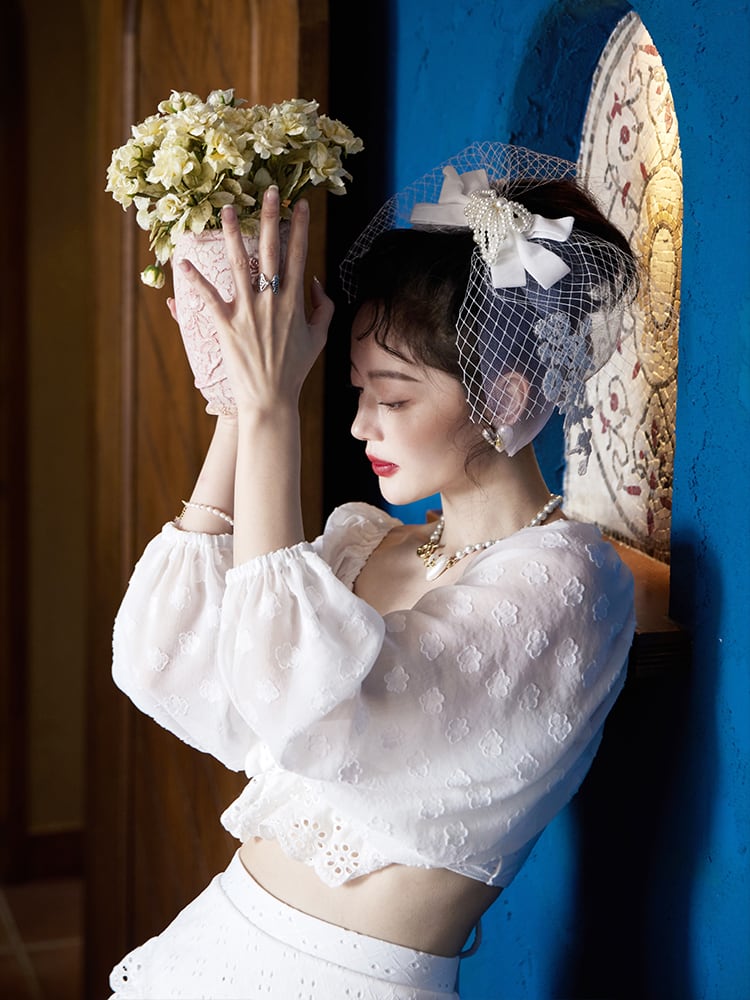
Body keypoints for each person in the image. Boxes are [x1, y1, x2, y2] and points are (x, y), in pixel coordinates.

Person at [108, 142, 638, 999]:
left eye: (392, 397)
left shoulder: (571, 582)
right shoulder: (368, 542)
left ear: (503, 399)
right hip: (209, 944)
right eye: (357, 390)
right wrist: (240, 408)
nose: (361, 425)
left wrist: (276, 414)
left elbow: (304, 714)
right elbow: (170, 666)